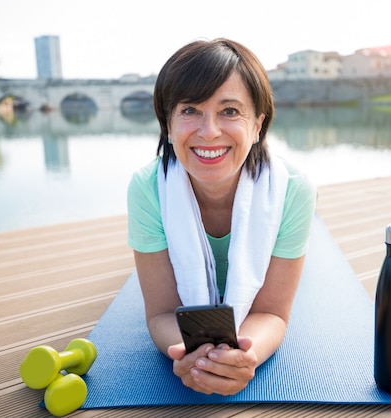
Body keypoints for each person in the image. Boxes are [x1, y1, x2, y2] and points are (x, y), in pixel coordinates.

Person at [127, 38, 316, 396]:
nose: (209, 131)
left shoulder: (293, 190)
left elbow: (272, 314)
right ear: (167, 125)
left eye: (230, 111)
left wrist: (244, 358)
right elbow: (163, 313)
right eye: (190, 111)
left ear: (258, 125)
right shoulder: (147, 188)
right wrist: (192, 356)